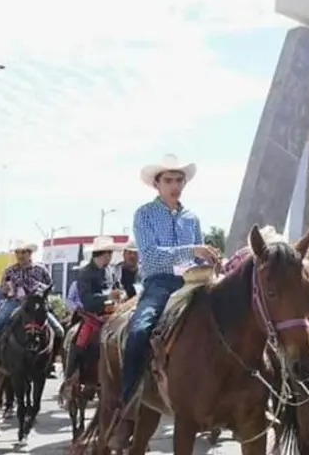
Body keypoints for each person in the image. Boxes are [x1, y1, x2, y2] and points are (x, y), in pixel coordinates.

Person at [113, 153, 220, 450]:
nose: (175, 185)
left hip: (194, 282)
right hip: (160, 284)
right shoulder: (144, 214)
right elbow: (152, 256)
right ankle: (128, 411)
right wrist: (194, 249)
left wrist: (209, 258)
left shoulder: (191, 218)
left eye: (179, 180)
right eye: (169, 180)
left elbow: (197, 257)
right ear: (156, 184)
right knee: (137, 332)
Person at [0, 243, 64, 381]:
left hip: (36, 305)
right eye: (18, 253)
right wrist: (4, 290)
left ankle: (49, 362)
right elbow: (2, 291)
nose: (21, 256)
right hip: (15, 303)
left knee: (59, 330)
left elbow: (50, 286)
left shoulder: (41, 270)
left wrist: (42, 293)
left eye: (24, 253)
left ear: (30, 254)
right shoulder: (10, 271)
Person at [62, 236, 124, 401]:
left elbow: (118, 287)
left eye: (111, 253)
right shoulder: (85, 273)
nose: (110, 256)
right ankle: (70, 377)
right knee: (78, 339)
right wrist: (107, 297)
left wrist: (120, 295)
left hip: (113, 313)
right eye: (108, 253)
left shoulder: (110, 270)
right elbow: (87, 299)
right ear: (101, 254)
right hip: (91, 315)